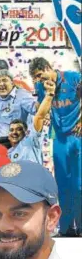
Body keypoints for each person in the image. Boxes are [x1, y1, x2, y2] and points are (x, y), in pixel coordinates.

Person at [29, 57, 82, 236]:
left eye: (41, 76)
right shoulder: (41, 88)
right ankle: (66, 229)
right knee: (63, 186)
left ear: (48, 67)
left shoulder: (73, 77)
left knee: (79, 185)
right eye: (37, 79)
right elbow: (41, 112)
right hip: (58, 138)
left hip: (77, 136)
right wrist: (49, 94)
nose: (41, 81)